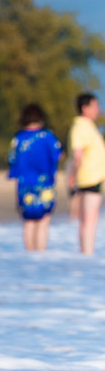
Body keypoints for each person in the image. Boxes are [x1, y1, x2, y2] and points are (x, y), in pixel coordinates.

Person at [7, 104, 62, 251]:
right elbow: (58, 155)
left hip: (24, 184)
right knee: (43, 221)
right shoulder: (47, 136)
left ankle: (29, 256)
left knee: (28, 221)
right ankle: (40, 255)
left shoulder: (18, 138)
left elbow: (12, 160)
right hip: (45, 184)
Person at [67, 93, 105, 254]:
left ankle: (86, 254)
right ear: (85, 108)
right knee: (89, 219)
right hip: (89, 178)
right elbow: (77, 154)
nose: (99, 109)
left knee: (87, 219)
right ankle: (87, 254)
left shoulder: (89, 126)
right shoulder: (80, 127)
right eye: (95, 106)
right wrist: (73, 177)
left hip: (92, 177)